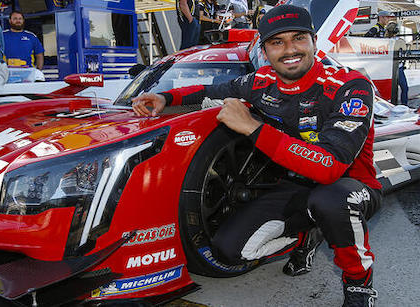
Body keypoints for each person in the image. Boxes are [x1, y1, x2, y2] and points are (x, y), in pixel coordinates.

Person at [132, 5, 381, 306]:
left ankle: (359, 285)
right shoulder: (261, 82)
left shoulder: (350, 86)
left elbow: (330, 168)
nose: (290, 49)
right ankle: (308, 233)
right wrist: (165, 97)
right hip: (296, 187)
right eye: (277, 42)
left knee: (330, 199)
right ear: (264, 50)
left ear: (314, 41)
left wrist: (251, 127)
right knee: (228, 250)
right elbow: (210, 91)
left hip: (350, 186)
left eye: (298, 38)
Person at [365, 10, 408, 105]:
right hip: (380, 64)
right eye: (386, 17)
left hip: (385, 63)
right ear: (381, 17)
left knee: (390, 91)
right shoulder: (376, 28)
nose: (388, 19)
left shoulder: (384, 31)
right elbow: (366, 39)